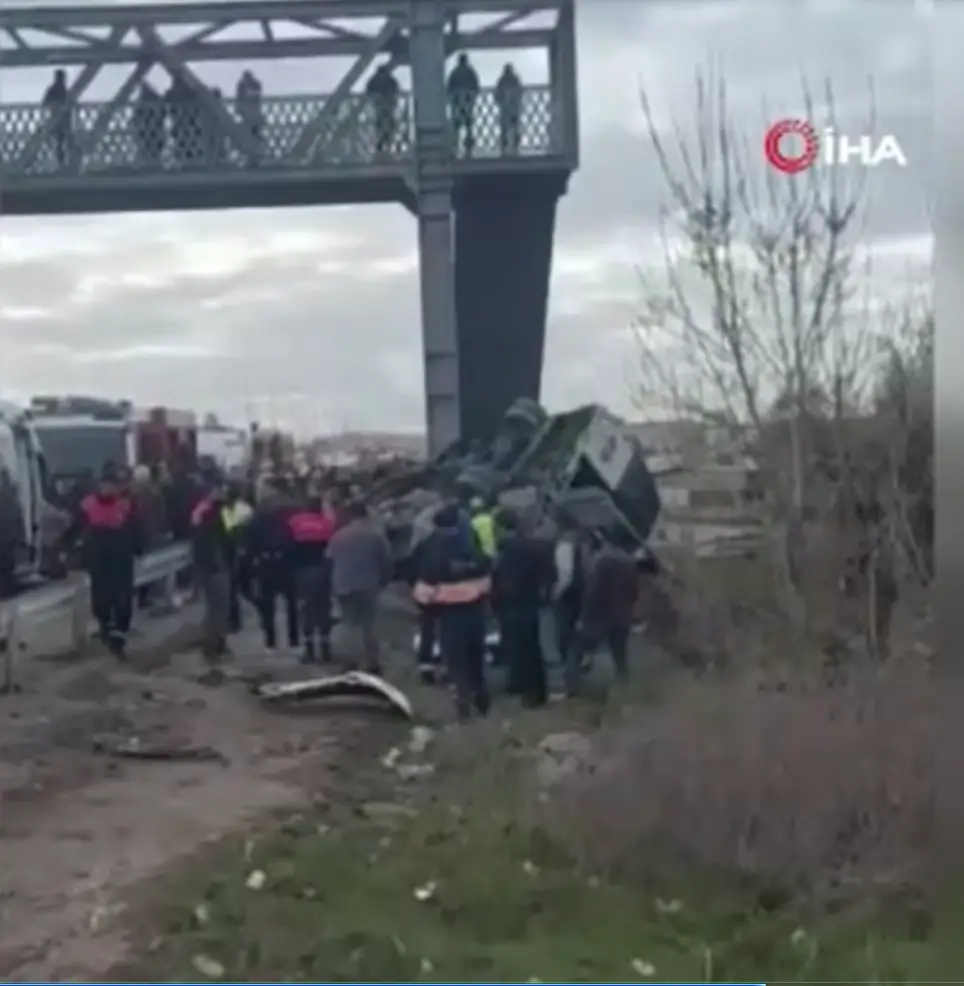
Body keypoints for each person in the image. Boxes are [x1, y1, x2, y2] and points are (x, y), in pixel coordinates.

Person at [413, 504, 492, 719]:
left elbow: (422, 591)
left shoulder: (430, 550)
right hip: (475, 612)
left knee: (455, 660)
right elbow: (488, 579)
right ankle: (481, 693)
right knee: (475, 654)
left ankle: (462, 699)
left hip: (448, 615)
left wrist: (428, 609)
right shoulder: (472, 548)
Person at [61, 463, 143, 658]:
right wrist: (64, 548)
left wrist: (139, 548)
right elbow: (74, 528)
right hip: (99, 559)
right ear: (101, 484)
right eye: (109, 484)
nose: (112, 488)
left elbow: (137, 528)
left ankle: (119, 640)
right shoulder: (88, 504)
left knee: (123, 601)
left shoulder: (126, 504)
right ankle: (107, 629)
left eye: (116, 484)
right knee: (101, 601)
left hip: (122, 560)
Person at [492, 508, 556, 707]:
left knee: (515, 647)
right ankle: (538, 692)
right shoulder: (538, 547)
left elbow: (498, 578)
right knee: (533, 649)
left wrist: (495, 602)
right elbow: (551, 575)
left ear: (502, 528)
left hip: (510, 604)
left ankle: (519, 686)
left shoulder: (504, 550)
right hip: (532, 602)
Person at [325, 499, 393, 673]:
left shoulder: (339, 535)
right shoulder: (376, 535)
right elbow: (386, 562)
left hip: (343, 584)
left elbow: (329, 559)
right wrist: (383, 582)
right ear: (366, 514)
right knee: (368, 625)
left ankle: (349, 662)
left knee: (349, 623)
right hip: (368, 584)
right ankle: (371, 663)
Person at [567, 537, 640, 695]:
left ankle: (572, 687)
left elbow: (592, 594)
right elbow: (634, 593)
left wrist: (583, 617)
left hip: (599, 618)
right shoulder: (630, 566)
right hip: (622, 617)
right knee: (619, 654)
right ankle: (625, 686)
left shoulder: (602, 564)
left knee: (575, 649)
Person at [245, 481, 298, 652]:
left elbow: (250, 541)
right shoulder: (290, 513)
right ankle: (293, 638)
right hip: (286, 561)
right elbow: (295, 536)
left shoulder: (257, 516)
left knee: (268, 603)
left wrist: (252, 561)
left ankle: (271, 640)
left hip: (266, 562)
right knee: (291, 602)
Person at [286, 493, 336, 664]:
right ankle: (326, 650)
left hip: (302, 572)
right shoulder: (327, 523)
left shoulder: (295, 521)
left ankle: (309, 652)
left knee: (306, 611)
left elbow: (288, 546)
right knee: (323, 610)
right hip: (323, 571)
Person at [190, 482, 233, 661]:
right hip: (215, 566)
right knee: (218, 607)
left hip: (211, 565)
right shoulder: (212, 513)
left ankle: (217, 643)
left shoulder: (202, 512)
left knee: (218, 606)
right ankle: (213, 647)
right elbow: (218, 540)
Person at [220, 483, 254, 632]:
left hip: (236, 552)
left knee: (236, 588)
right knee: (236, 588)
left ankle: (234, 621)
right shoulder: (242, 508)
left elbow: (232, 531)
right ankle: (234, 620)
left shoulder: (234, 510)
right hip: (238, 551)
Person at [446, 53, 480, 156]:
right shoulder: (470, 72)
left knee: (456, 124)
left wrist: (451, 100)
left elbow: (449, 89)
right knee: (468, 124)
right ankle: (468, 146)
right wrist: (472, 98)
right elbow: (475, 87)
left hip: (456, 101)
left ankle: (454, 145)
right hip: (467, 100)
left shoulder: (454, 73)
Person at [366, 63, 400, 155]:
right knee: (385, 123)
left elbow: (368, 91)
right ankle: (385, 143)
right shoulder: (390, 80)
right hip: (384, 106)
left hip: (383, 106)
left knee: (384, 123)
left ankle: (386, 143)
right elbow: (396, 90)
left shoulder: (373, 80)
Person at [42, 69, 71, 167]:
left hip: (59, 120)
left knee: (60, 142)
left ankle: (61, 162)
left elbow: (45, 103)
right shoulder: (62, 89)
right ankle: (61, 162)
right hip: (60, 120)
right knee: (61, 142)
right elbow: (46, 103)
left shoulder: (56, 89)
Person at [494, 63, 522, 154]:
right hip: (513, 108)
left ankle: (505, 144)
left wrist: (501, 101)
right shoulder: (515, 80)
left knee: (504, 127)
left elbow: (497, 94)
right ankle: (514, 144)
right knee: (514, 127)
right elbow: (520, 92)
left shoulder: (502, 80)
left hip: (505, 108)